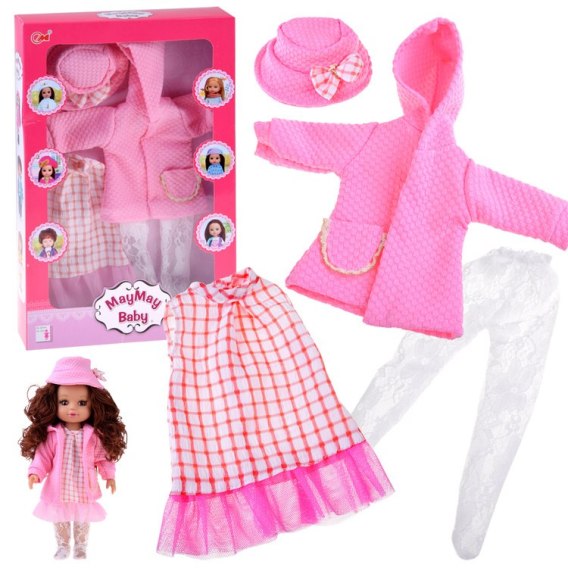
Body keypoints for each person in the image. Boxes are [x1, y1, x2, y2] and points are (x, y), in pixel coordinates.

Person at [20, 357, 127, 560]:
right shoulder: (53, 435)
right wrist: (36, 473)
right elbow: (43, 457)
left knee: (82, 517)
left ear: (93, 405)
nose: (72, 408)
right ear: (53, 403)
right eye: (64, 402)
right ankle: (62, 546)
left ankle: (80, 546)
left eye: (82, 403)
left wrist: (109, 476)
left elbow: (103, 457)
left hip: (83, 487)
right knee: (59, 517)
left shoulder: (94, 436)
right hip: (59, 486)